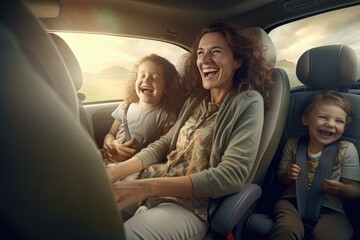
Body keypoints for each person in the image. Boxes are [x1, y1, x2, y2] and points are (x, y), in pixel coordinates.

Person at [107, 22, 274, 240]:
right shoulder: (196, 101)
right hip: (154, 180)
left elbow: (231, 176)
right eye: (201, 53)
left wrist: (146, 188)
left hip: (190, 206)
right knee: (85, 207)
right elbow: (164, 144)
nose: (204, 60)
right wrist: (117, 171)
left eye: (215, 51)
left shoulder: (248, 101)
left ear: (237, 61)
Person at [269, 91, 360, 240]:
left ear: (345, 127)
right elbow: (280, 177)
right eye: (323, 117)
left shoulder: (346, 149)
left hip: (332, 209)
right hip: (292, 202)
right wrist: (287, 175)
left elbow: (355, 189)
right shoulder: (293, 144)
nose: (330, 124)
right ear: (306, 120)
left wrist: (342, 189)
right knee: (286, 229)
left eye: (339, 121)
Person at [103, 54, 184, 164]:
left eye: (155, 78)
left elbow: (164, 148)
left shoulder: (166, 115)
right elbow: (111, 134)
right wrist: (111, 144)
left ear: (166, 87)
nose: (147, 80)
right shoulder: (125, 106)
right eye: (142, 76)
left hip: (135, 166)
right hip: (110, 160)